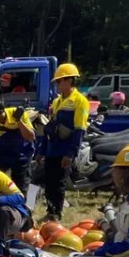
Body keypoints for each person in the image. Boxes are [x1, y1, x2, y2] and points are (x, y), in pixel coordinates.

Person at [42, 62, 89, 220]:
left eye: (59, 81)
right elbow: (49, 127)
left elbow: (79, 129)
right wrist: (42, 150)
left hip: (64, 149)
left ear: (69, 80)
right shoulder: (56, 102)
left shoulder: (80, 101)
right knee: (49, 182)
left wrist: (70, 154)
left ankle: (56, 213)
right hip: (52, 147)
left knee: (59, 183)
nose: (57, 85)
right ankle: (50, 210)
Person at [0, 94, 36, 188]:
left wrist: (19, 122)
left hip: (22, 156)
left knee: (21, 186)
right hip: (2, 158)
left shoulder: (17, 113)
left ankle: (26, 200)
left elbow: (31, 137)